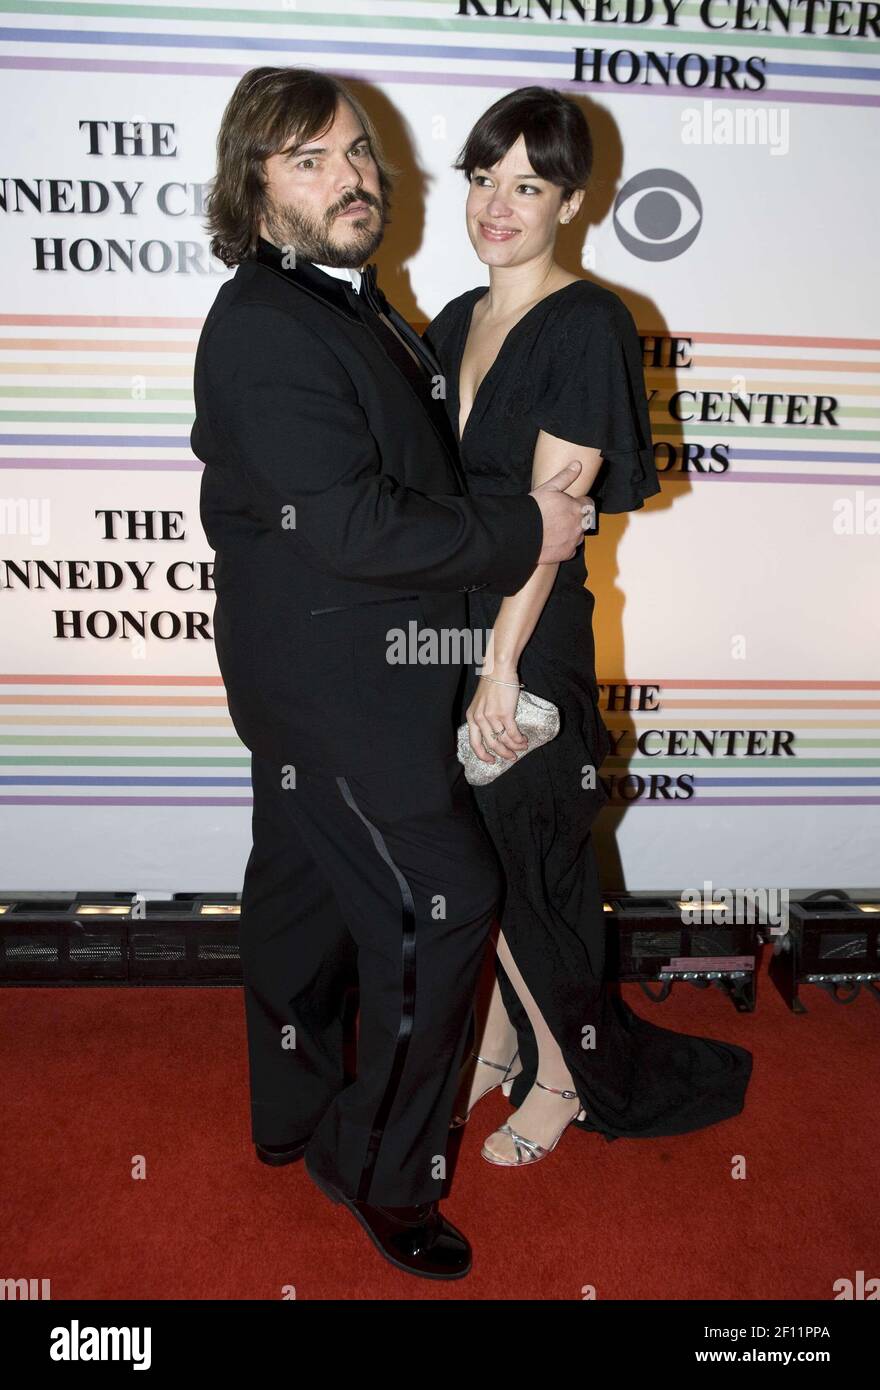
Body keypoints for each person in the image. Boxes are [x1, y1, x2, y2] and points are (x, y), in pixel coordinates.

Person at [190, 67, 592, 1280]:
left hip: (323, 672)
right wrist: (529, 531)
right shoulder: (265, 321)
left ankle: (290, 1113)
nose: (353, 176)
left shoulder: (359, 306)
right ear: (253, 190)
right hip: (337, 684)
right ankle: (379, 1170)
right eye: (309, 159)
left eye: (358, 151)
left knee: (304, 894)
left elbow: (396, 495)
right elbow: (355, 527)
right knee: (445, 904)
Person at [422, 87, 753, 1168]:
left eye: (526, 184)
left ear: (570, 200)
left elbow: (553, 525)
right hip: (444, 628)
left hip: (528, 635)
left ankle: (568, 1070)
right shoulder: (453, 319)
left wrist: (497, 667)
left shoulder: (587, 322)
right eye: (482, 178)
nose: (497, 204)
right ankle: (510, 1033)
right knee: (477, 857)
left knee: (533, 858)